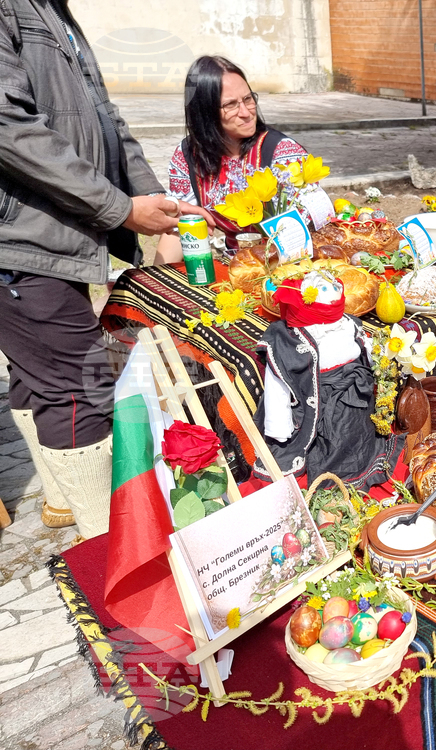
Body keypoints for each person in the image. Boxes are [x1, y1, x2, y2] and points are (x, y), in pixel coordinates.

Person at [0, 0, 211, 538]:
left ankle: (59, 498)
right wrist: (119, 209)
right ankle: (110, 547)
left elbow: (106, 119)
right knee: (78, 390)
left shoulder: (52, 11)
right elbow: (10, 129)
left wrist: (146, 196)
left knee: (36, 375)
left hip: (56, 229)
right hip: (22, 238)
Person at [254, 272, 402, 489]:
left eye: (335, 287)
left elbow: (365, 347)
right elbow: (277, 387)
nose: (334, 293)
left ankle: (361, 456)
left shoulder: (348, 323)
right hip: (318, 401)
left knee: (358, 433)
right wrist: (278, 428)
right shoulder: (287, 341)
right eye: (324, 290)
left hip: (355, 396)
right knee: (331, 442)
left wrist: (382, 358)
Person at [155, 56, 311, 261]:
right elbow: (181, 227)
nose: (246, 113)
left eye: (248, 99)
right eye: (231, 105)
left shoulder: (283, 153)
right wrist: (155, 281)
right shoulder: (188, 156)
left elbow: (307, 232)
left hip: (290, 262)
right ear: (205, 111)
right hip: (235, 265)